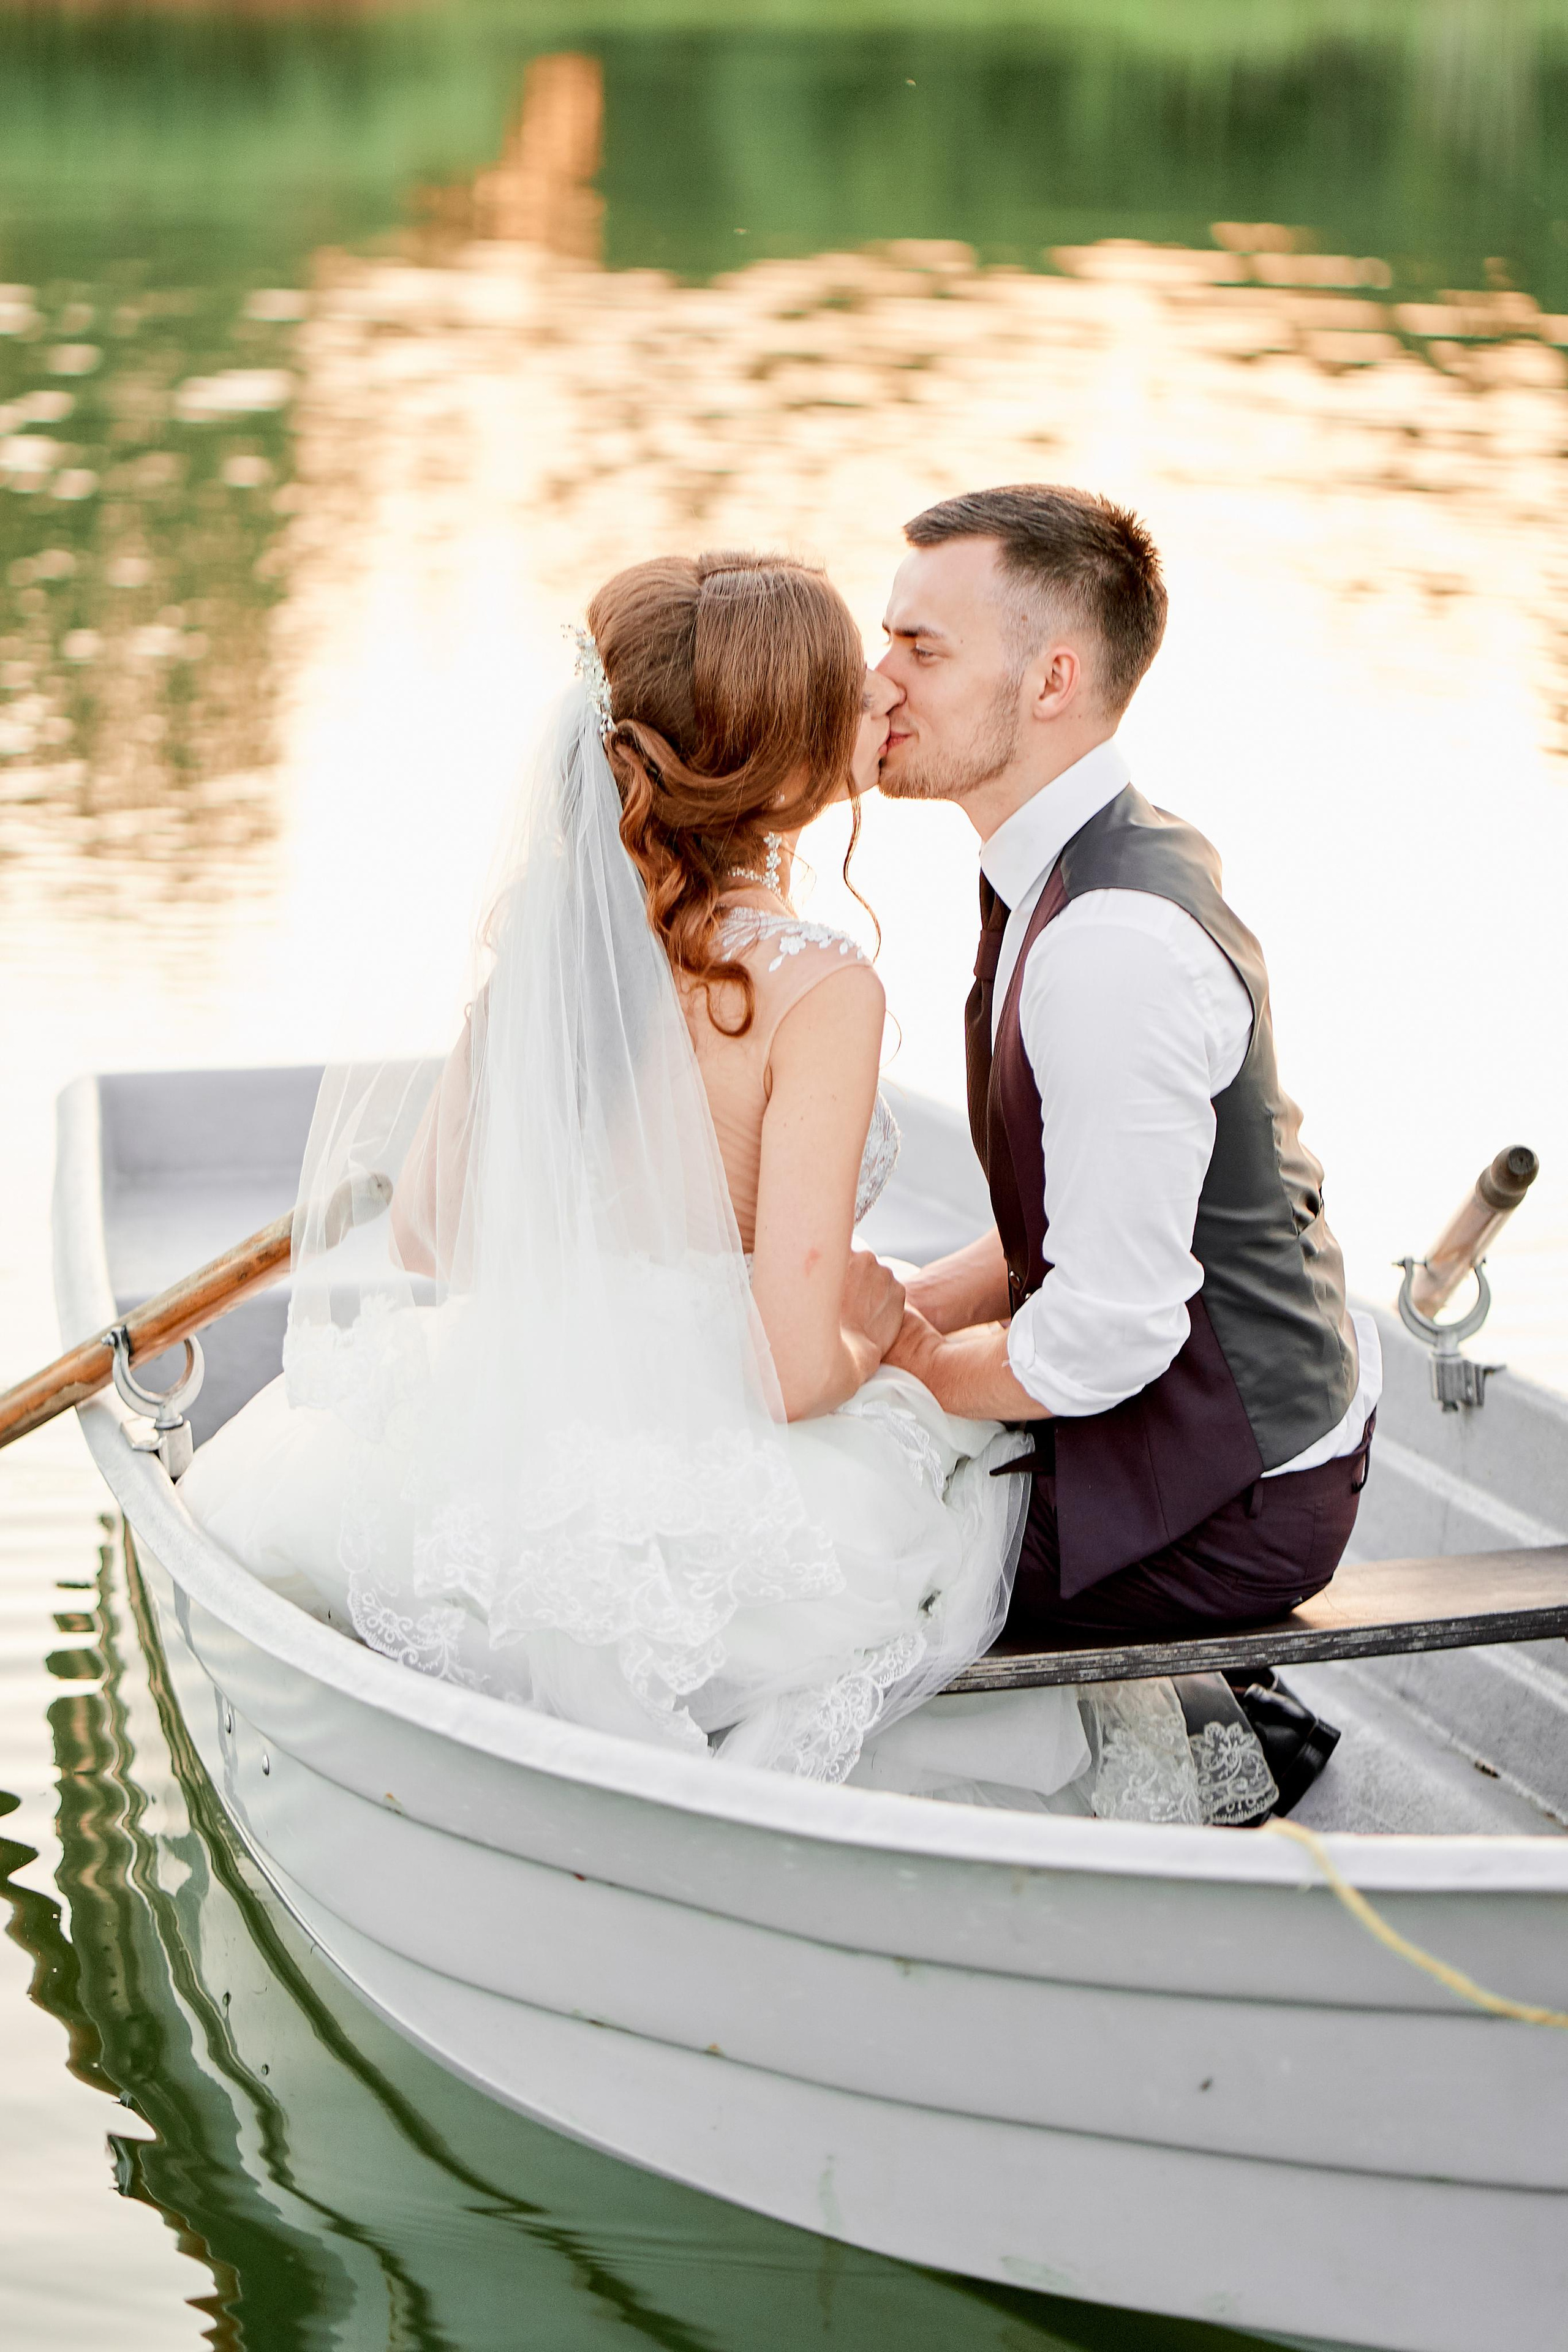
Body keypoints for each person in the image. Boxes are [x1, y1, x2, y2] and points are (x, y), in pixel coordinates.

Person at [179, 549, 1276, 1823]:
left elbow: (426, 1233)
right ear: (788, 756)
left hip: (524, 1414)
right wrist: (884, 1334)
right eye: (851, 681)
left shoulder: (552, 938)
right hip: (722, 1441)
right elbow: (791, 1371)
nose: (880, 692)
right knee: (968, 1499)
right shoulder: (815, 989)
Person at [875, 486, 1379, 1722]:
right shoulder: (1070, 866)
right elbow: (1068, 1214)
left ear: (1049, 681)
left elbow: (1105, 1333)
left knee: (799, 1542)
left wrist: (901, 1375)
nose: (874, 681)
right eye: (885, 638)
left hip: (1232, 1504)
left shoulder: (1110, 942)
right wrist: (888, 1314)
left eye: (918, 650)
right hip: (1175, 1431)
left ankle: (1231, 1735)